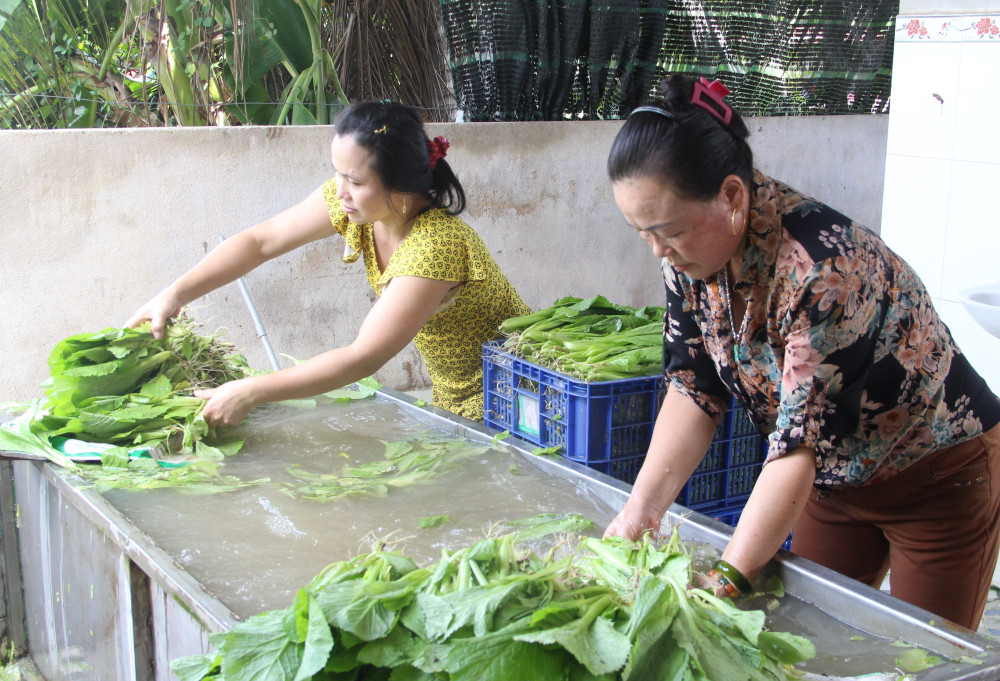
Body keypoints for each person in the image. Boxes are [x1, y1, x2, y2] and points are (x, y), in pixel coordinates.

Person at [602, 74, 1000, 630]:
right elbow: (694, 387)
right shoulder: (688, 261)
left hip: (932, 475)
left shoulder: (822, 267)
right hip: (831, 478)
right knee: (810, 641)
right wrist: (639, 514)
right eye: (641, 231)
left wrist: (724, 583)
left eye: (666, 230)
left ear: (732, 196)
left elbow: (795, 445)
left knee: (923, 655)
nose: (658, 250)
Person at [127, 101, 529, 424]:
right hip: (454, 396)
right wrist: (174, 293)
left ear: (401, 185)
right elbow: (261, 241)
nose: (341, 192)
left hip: (513, 399)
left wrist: (251, 390)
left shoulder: (435, 247)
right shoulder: (360, 206)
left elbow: (363, 356)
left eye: (355, 181)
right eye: (338, 174)